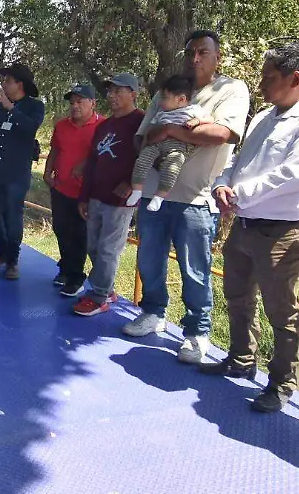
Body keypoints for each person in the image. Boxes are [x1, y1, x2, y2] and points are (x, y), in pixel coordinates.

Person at [199, 41, 299, 413]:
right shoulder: (265, 116)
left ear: (295, 78)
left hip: (283, 232)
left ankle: (281, 383)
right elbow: (239, 160)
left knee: (281, 310)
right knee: (237, 295)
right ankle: (241, 358)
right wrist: (223, 183)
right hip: (245, 223)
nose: (262, 84)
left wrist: (239, 193)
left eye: (269, 77)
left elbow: (295, 174)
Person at [123, 30, 249, 365]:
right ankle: (153, 313)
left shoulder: (231, 90)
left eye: (203, 52)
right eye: (191, 52)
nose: (195, 58)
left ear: (217, 57)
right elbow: (142, 136)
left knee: (195, 270)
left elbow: (222, 133)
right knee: (149, 261)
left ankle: (196, 332)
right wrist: (166, 137)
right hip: (154, 196)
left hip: (196, 199)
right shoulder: (168, 90)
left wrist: (168, 130)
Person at [72, 73, 146, 317]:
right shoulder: (104, 126)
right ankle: (107, 288)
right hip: (96, 195)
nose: (111, 96)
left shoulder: (142, 123)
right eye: (110, 91)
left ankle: (99, 296)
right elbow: (93, 161)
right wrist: (84, 196)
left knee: (108, 249)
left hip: (120, 200)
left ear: (133, 94)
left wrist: (132, 182)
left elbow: (149, 156)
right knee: (93, 246)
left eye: (118, 91)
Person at [0, 63, 47, 280]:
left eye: (7, 81)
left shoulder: (34, 106)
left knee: (13, 216)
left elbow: (30, 128)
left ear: (19, 84)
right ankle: (1, 252)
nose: (3, 85)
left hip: (16, 174)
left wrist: (10, 108)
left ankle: (12, 260)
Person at [46, 83, 105, 296]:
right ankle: (66, 269)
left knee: (81, 235)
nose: (75, 106)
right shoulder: (62, 125)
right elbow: (55, 150)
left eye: (80, 101)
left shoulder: (103, 126)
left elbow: (106, 156)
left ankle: (76, 278)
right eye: (72, 102)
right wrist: (47, 172)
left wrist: (86, 164)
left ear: (93, 103)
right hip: (61, 188)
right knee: (61, 230)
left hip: (87, 193)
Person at [127, 74, 211, 211]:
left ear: (181, 99)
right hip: (156, 144)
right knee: (142, 161)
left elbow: (209, 120)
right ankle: (137, 190)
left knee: (171, 169)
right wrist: (146, 145)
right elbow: (150, 130)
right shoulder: (161, 113)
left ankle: (159, 197)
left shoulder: (193, 110)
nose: (161, 102)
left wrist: (197, 121)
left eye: (165, 98)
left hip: (178, 147)